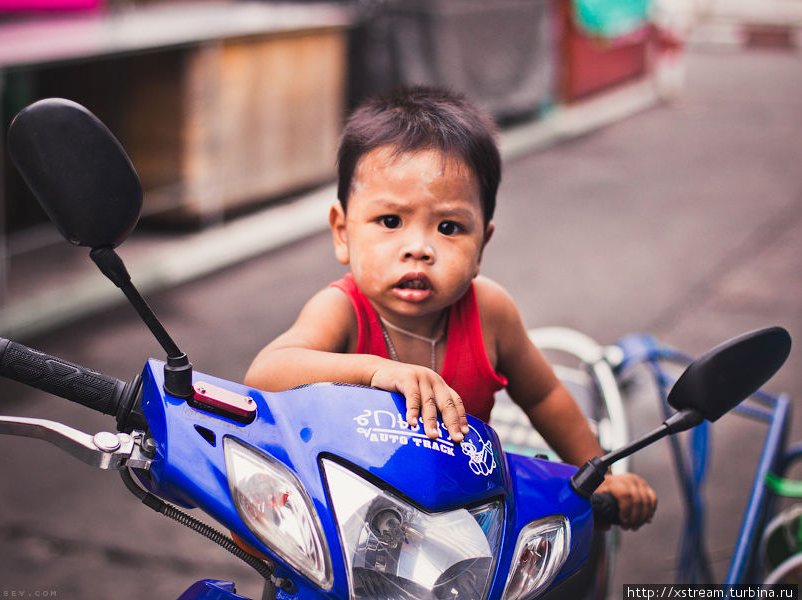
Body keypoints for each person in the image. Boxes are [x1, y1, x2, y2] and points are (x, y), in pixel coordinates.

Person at [244, 85, 656, 529]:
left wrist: (601, 474)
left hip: (464, 520)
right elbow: (266, 373)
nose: (419, 248)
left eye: (448, 227)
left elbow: (545, 395)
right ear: (343, 232)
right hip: (356, 520)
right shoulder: (342, 311)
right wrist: (374, 371)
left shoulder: (490, 313)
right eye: (390, 222)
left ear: (482, 245)